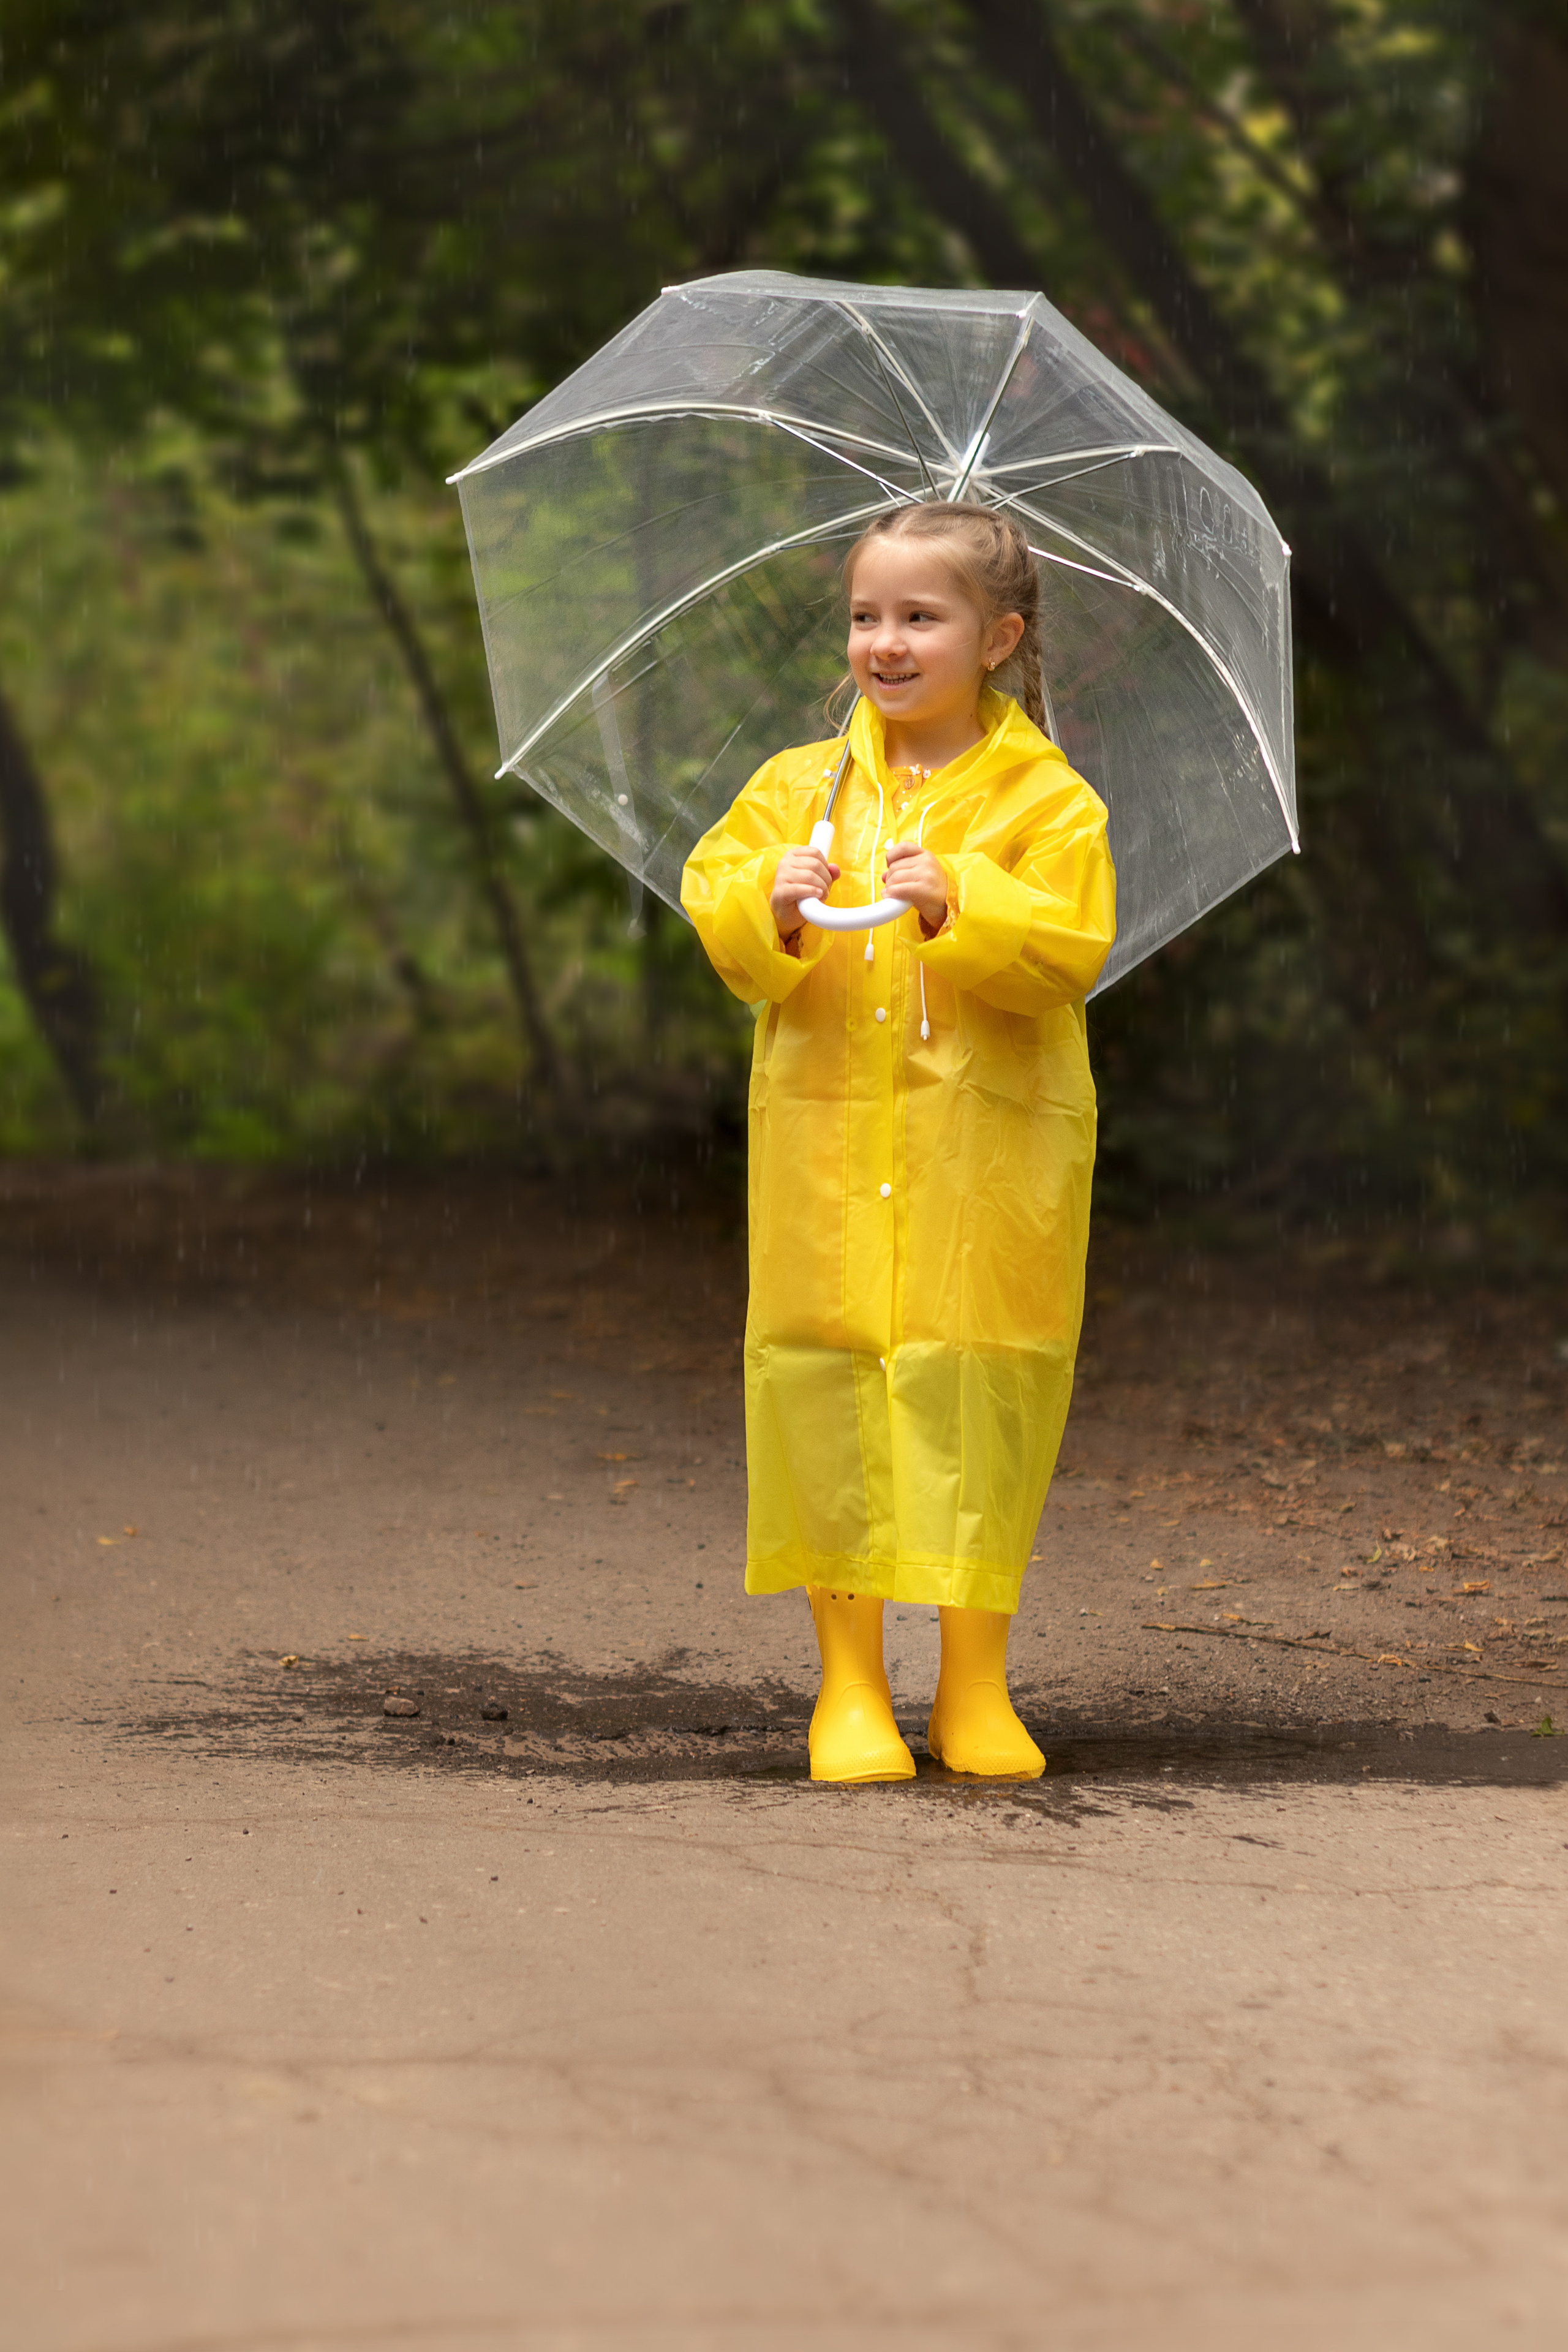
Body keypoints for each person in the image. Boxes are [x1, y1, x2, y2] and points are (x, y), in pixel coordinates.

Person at [681, 502, 1115, 1782]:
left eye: (918, 616)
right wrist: (767, 907)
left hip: (987, 1161)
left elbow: (1067, 951)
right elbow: (722, 922)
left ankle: (972, 1687)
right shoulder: (794, 789)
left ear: (997, 637)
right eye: (865, 616)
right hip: (824, 1150)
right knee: (824, 1375)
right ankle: (848, 1689)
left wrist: (964, 898)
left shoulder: (1049, 800)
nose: (884, 641)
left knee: (979, 1381)